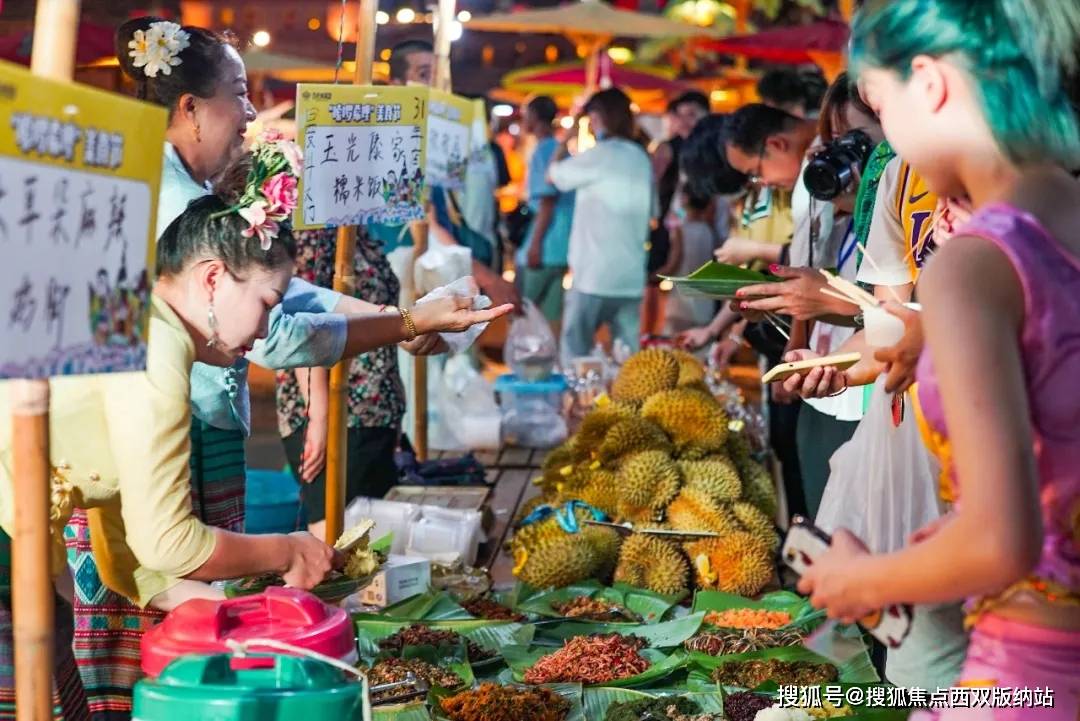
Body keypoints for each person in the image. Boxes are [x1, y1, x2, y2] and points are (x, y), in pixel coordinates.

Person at [798, 2, 1080, 717]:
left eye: (881, 104)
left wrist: (861, 578)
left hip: (1028, 673)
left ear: (928, 83)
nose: (885, 135)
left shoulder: (975, 263)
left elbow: (1000, 540)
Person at [548, 87, 654, 362]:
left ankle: (578, 405)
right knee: (629, 363)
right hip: (630, 276)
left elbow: (554, 175)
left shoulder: (600, 154)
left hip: (593, 276)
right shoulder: (641, 158)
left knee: (575, 356)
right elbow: (654, 211)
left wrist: (567, 138)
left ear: (600, 118)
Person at [644, 91, 711, 334]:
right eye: (679, 115)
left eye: (692, 115)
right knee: (662, 284)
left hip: (699, 228)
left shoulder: (709, 151)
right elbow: (652, 184)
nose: (684, 121)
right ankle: (653, 336)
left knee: (694, 287)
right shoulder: (668, 148)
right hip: (671, 226)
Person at [516, 95, 575, 331]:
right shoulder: (562, 150)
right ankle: (547, 364)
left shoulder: (544, 151)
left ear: (534, 117)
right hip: (560, 249)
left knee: (522, 312)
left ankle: (521, 364)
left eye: (525, 114)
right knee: (550, 317)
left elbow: (547, 201)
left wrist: (535, 244)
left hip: (544, 247)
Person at [658, 188, 721, 335]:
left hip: (682, 299)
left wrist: (653, 276)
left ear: (685, 200)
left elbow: (674, 262)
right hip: (705, 298)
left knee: (676, 346)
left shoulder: (680, 230)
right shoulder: (709, 231)